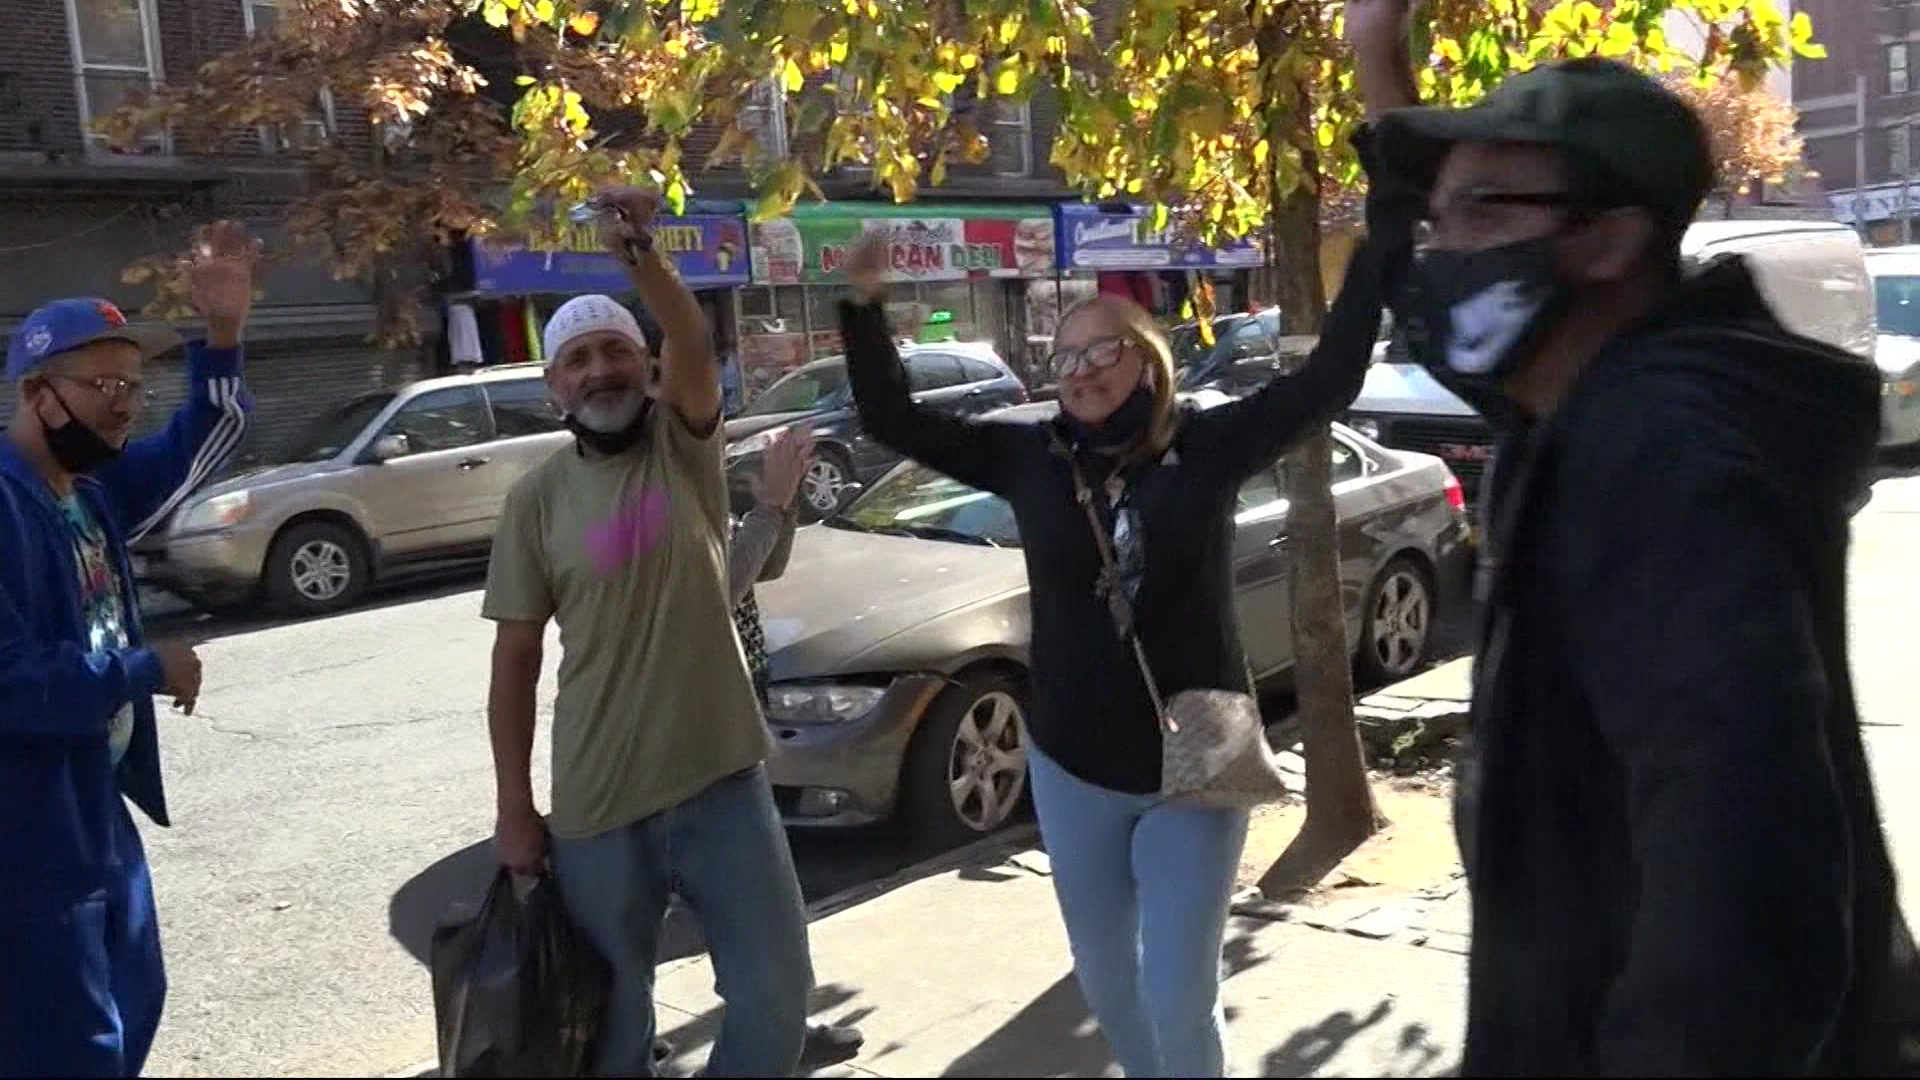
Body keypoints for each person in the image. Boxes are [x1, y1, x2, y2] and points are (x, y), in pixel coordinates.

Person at [1346, 0, 1920, 1074]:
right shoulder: (1567, 391)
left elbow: (1751, 882)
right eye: (1438, 218)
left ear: (1608, 240)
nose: (1439, 251)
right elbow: (1416, 274)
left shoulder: (1661, 452)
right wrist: (1377, 53)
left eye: (1476, 214)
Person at [837, 206, 1397, 1075]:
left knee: (1179, 993)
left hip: (1196, 761)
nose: (1083, 369)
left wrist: (1376, 247)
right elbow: (893, 419)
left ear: (1149, 362)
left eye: (1104, 349)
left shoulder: (1208, 445)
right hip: (1072, 766)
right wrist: (862, 306)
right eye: (1066, 356)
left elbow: (1329, 379)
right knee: (1108, 987)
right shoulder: (1026, 458)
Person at [482, 187, 813, 1079]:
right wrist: (516, 809)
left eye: (617, 351)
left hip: (721, 782)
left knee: (777, 1003)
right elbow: (514, 663)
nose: (600, 371)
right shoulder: (535, 501)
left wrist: (640, 254)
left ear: (648, 369)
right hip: (597, 804)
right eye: (578, 359)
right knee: (612, 1032)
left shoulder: (684, 447)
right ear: (555, 385)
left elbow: (695, 339)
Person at [0, 221, 257, 1076]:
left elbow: (198, 445)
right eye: (102, 382)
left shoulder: (89, 493)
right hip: (27, 831)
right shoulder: (4, 507)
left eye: (133, 385)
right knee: (68, 1044)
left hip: (95, 811)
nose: (123, 401)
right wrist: (145, 669)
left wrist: (221, 338)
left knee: (131, 1002)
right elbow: (8, 682)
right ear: (38, 391)